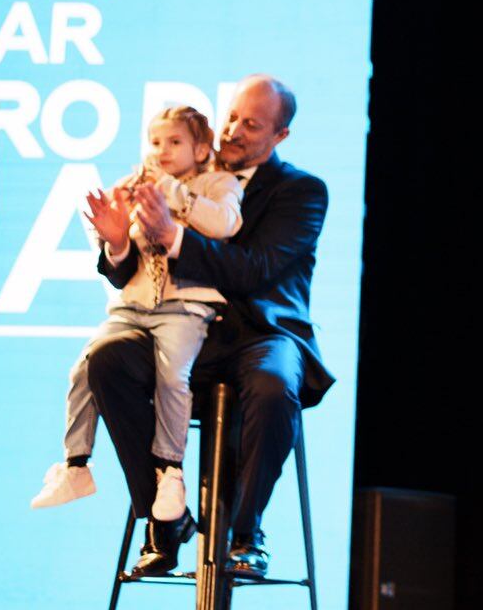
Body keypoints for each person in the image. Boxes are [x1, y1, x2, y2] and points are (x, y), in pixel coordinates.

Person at [81, 76, 333, 582]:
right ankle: (161, 515)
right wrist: (117, 245)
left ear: (279, 136)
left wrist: (173, 232)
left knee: (273, 383)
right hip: (181, 325)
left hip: (261, 331)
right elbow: (134, 271)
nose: (233, 130)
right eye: (232, 117)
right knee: (105, 361)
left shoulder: (300, 191)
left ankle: (246, 533)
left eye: (252, 124)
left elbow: (254, 269)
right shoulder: (183, 170)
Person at [32, 105, 243, 523]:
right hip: (133, 305)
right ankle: (76, 466)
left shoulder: (218, 183)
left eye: (175, 142)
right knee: (86, 366)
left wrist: (171, 191)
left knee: (172, 375)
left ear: (201, 149)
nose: (162, 151)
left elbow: (225, 225)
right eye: (156, 143)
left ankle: (170, 471)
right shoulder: (136, 185)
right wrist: (112, 234)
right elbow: (118, 249)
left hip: (184, 307)